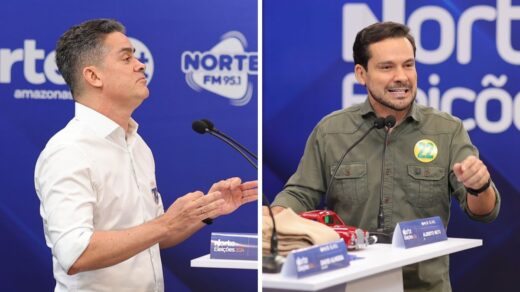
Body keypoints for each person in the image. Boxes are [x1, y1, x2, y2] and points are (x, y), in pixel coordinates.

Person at [268, 21, 500, 291]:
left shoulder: (447, 130)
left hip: (424, 286)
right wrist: (274, 217)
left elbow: (484, 212)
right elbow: (300, 193)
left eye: (409, 65)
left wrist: (479, 185)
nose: (401, 76)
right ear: (361, 74)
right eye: (387, 67)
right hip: (350, 281)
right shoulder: (332, 131)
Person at [34, 19, 257, 292]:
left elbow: (154, 237)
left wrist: (205, 211)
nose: (140, 65)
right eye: (126, 58)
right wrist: (165, 223)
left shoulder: (137, 144)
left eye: (137, 57)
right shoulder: (68, 151)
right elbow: (75, 253)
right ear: (93, 76)